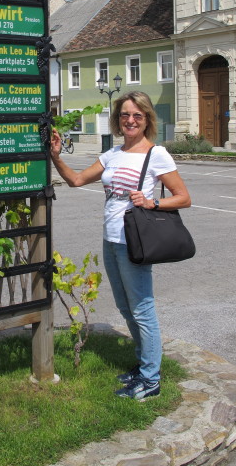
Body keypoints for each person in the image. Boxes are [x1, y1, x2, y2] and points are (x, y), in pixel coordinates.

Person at [50, 91, 191, 401]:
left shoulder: (156, 154)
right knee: (126, 308)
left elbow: (183, 197)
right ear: (118, 119)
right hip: (110, 239)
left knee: (142, 309)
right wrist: (56, 156)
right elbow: (76, 180)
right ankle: (143, 366)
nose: (130, 120)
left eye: (137, 116)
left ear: (146, 120)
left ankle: (151, 380)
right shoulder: (112, 154)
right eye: (125, 115)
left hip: (135, 240)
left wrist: (153, 201)